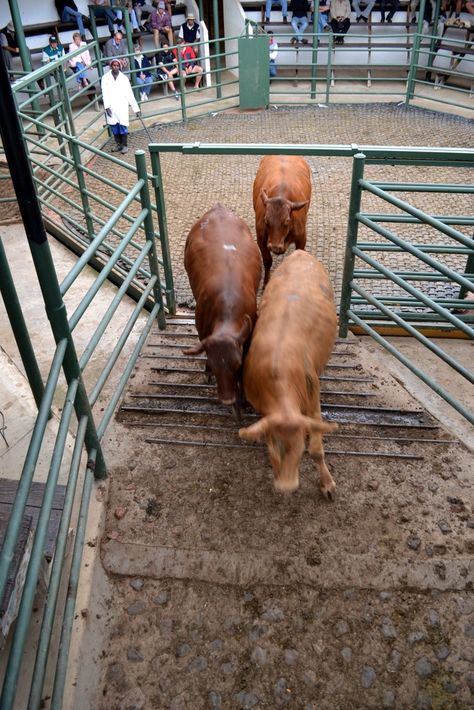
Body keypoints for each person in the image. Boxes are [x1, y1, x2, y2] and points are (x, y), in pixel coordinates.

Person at [101, 58, 140, 154]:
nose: (115, 67)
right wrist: (107, 107)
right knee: (114, 125)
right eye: (114, 65)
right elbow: (104, 93)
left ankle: (125, 145)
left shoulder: (124, 78)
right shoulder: (105, 78)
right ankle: (118, 144)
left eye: (117, 66)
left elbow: (129, 94)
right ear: (111, 67)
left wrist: (136, 109)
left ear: (120, 67)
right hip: (111, 105)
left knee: (123, 125)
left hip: (122, 104)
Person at [68, 31, 98, 107]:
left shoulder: (84, 44)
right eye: (76, 40)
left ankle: (79, 82)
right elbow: (73, 58)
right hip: (75, 63)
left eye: (79, 39)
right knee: (78, 64)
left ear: (80, 39)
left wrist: (88, 63)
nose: (77, 41)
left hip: (83, 63)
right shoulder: (71, 46)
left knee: (79, 68)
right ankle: (84, 79)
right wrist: (81, 62)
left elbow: (87, 55)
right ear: (74, 40)